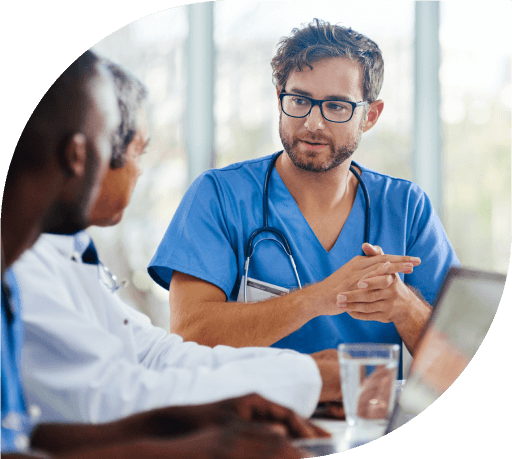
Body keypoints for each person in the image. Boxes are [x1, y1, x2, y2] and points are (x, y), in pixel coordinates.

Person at [1, 50, 323, 459]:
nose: (133, 168)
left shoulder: (14, 278)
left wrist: (185, 421)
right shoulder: (22, 275)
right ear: (78, 156)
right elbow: (97, 399)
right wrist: (197, 448)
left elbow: (25, 438)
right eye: (118, 143)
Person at [147, 19, 460, 378]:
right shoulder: (219, 196)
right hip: (250, 424)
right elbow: (191, 336)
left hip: (368, 424)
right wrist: (320, 296)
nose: (313, 123)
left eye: (337, 106)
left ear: (369, 116)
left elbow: (457, 361)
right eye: (299, 100)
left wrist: (406, 308)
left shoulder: (405, 208)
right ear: (279, 100)